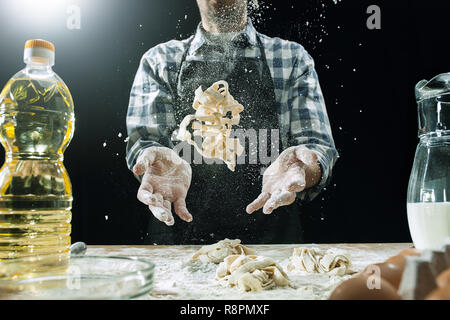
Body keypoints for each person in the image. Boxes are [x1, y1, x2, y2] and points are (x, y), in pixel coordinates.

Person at [126, 0, 338, 244]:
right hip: (178, 250)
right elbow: (144, 142)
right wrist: (150, 155)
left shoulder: (291, 58)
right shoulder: (160, 61)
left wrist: (302, 167)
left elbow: (317, 147)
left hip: (272, 249)